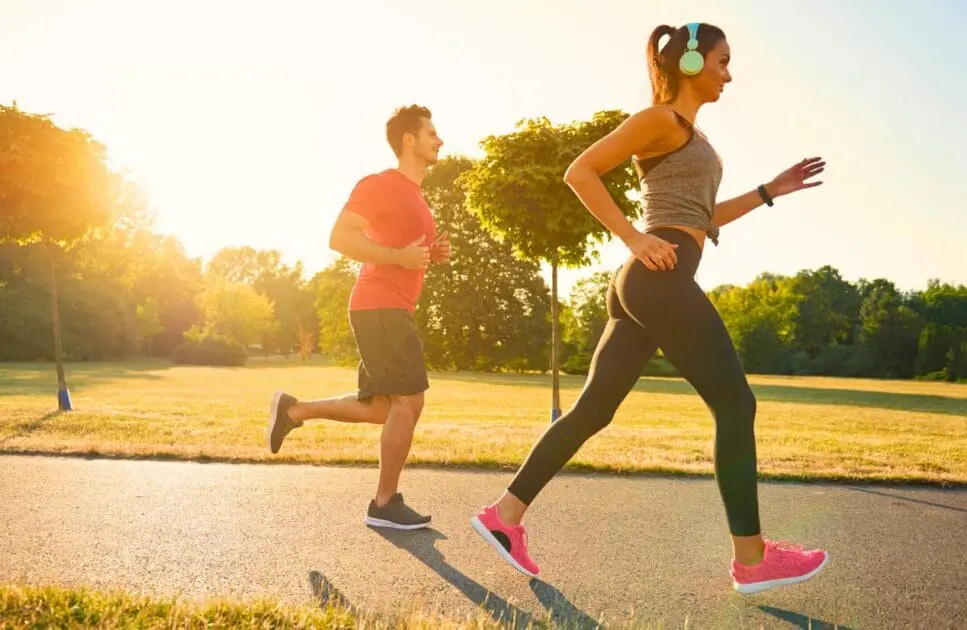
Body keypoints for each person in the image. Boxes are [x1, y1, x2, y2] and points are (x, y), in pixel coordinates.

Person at [470, 23, 829, 595]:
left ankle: (503, 516)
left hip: (648, 282)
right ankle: (752, 559)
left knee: (593, 411)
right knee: (736, 404)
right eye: (722, 61)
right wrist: (634, 238)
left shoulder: (690, 133)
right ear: (691, 62)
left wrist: (769, 191)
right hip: (657, 276)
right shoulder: (660, 119)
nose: (729, 75)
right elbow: (580, 171)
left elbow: (702, 217)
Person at [267, 104, 450, 531]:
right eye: (432, 133)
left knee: (382, 406)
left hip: (390, 307)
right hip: (380, 305)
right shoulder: (381, 184)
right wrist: (399, 256)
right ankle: (384, 504)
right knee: (409, 401)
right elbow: (339, 237)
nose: (440, 140)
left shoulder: (416, 196)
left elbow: (404, 251)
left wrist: (430, 255)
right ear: (409, 140)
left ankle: (294, 411)